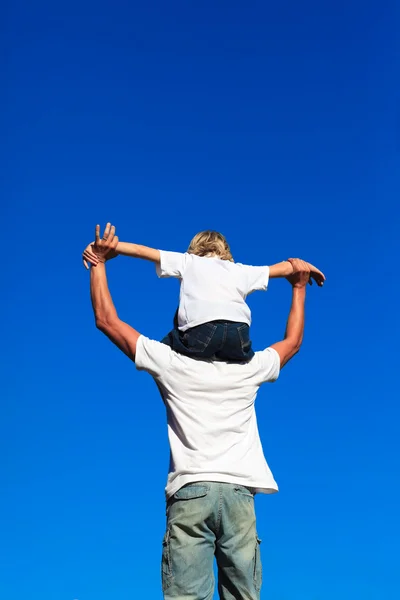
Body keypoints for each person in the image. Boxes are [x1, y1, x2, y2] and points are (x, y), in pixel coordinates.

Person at [86, 222, 314, 600]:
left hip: (191, 491)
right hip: (240, 494)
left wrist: (98, 263)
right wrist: (299, 288)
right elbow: (292, 343)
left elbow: (107, 321)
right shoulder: (249, 370)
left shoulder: (172, 364)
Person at [83, 228, 324, 361]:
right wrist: (305, 266)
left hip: (201, 331)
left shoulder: (188, 261)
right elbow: (280, 269)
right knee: (239, 356)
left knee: (169, 343)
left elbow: (143, 251)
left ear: (195, 248)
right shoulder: (240, 270)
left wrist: (109, 248)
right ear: (225, 251)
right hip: (239, 336)